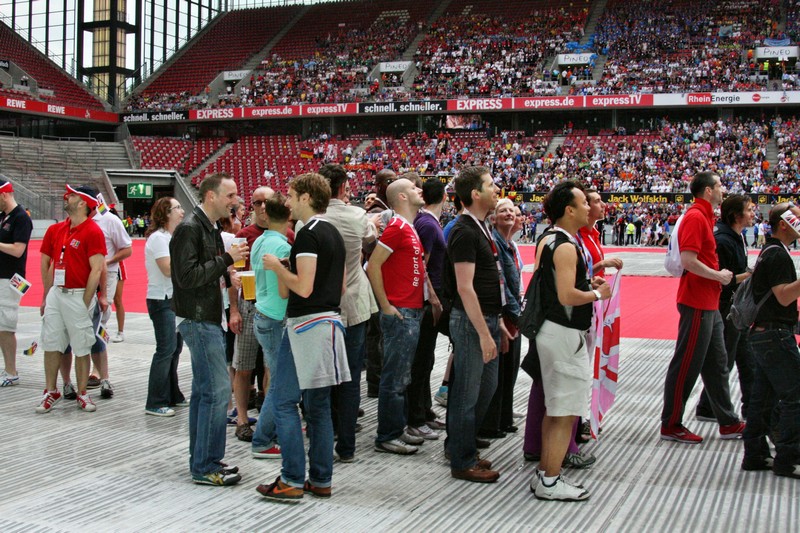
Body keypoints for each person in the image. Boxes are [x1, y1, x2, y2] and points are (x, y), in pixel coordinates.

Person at [256, 172, 348, 502]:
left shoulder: (308, 234)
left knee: (284, 401)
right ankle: (321, 479)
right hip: (329, 323)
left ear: (306, 198)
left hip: (305, 326)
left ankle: (292, 478)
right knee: (318, 407)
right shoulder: (332, 233)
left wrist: (279, 268)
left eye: (292, 195)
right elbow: (339, 286)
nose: (288, 201)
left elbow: (304, 288)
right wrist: (288, 268)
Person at [528, 181, 610, 502]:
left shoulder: (550, 238)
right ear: (569, 210)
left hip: (552, 331)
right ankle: (550, 480)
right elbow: (565, 295)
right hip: (563, 333)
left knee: (555, 409)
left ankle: (545, 473)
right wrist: (596, 294)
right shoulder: (564, 245)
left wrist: (587, 283)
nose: (589, 207)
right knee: (564, 412)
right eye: (583, 203)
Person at [171, 172, 248, 486]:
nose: (235, 201)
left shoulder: (208, 227)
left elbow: (202, 271)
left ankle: (204, 460)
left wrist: (227, 274)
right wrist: (227, 260)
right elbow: (186, 277)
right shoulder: (190, 229)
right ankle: (205, 464)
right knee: (216, 392)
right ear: (211, 196)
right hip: (197, 318)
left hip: (205, 316)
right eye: (230, 195)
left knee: (207, 393)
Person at [660, 172, 744, 444]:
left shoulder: (704, 217)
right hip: (697, 301)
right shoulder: (696, 217)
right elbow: (688, 260)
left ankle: (728, 421)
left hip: (708, 301)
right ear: (708, 191)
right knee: (686, 365)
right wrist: (718, 275)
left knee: (717, 364)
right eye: (719, 185)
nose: (723, 189)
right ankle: (671, 424)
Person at [443, 165, 504, 483]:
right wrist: (483, 332)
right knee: (467, 394)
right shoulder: (464, 231)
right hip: (471, 323)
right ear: (475, 194)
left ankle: (460, 445)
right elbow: (465, 287)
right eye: (490, 185)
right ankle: (462, 460)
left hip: (486, 318)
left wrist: (497, 323)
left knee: (485, 388)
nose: (497, 190)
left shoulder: (481, 227)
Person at [318, 164, 378, 463]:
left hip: (323, 306)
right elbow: (371, 241)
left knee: (325, 375)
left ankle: (324, 434)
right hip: (354, 302)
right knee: (351, 376)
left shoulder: (311, 221)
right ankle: (347, 445)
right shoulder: (357, 215)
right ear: (343, 188)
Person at [367, 177, 430, 455]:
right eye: (414, 188)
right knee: (395, 377)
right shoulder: (397, 228)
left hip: (410, 310)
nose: (420, 190)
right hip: (401, 311)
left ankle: (396, 428)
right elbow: (373, 265)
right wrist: (385, 305)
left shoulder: (407, 227)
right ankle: (387, 435)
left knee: (401, 375)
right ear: (402, 197)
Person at [36, 185, 107, 414]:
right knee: (51, 343)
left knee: (82, 346)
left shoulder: (93, 231)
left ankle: (82, 393)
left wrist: (85, 301)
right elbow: (51, 264)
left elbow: (97, 269)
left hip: (78, 294)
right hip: (57, 293)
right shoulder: (58, 229)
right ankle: (51, 390)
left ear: (83, 203)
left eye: (72, 195)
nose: (67, 197)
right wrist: (46, 296)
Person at [742, 202, 800, 477]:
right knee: (794, 396)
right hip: (775, 335)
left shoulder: (771, 251)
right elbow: (784, 296)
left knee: (762, 399)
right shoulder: (777, 254)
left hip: (764, 334)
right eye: (796, 217)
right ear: (784, 224)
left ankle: (755, 454)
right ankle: (789, 457)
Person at [695, 194, 755, 421]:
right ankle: (707, 407)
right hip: (726, 309)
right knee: (725, 361)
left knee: (746, 360)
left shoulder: (736, 236)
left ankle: (751, 408)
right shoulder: (723, 240)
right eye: (749, 210)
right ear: (736, 216)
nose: (753, 214)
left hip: (736, 308)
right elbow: (720, 279)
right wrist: (749, 276)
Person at [228, 186, 275, 442]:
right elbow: (232, 274)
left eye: (267, 201)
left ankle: (268, 418)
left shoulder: (286, 234)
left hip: (275, 307)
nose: (263, 207)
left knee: (271, 368)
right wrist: (234, 310)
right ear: (252, 207)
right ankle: (242, 419)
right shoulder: (243, 236)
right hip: (249, 304)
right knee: (243, 366)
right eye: (258, 202)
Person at [249, 192, 292, 460]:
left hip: (262, 312)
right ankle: (263, 439)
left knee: (276, 378)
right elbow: (285, 289)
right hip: (276, 316)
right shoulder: (283, 247)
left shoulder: (260, 241)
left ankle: (272, 430)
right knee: (278, 382)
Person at [407, 178, 448, 439]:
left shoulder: (427, 222)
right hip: (426, 303)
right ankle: (415, 416)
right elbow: (422, 265)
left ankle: (424, 410)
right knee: (421, 361)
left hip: (427, 300)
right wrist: (433, 298)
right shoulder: (429, 225)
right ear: (444, 197)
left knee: (426, 359)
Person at [479, 199, 523, 439]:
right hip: (505, 313)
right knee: (499, 371)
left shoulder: (508, 244)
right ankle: (491, 422)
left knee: (509, 370)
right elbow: (502, 284)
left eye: (512, 211)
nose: (510, 214)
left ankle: (503, 419)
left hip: (512, 313)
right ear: (493, 219)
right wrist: (516, 316)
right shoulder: (496, 243)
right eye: (503, 210)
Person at [144, 197, 186, 417]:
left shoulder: (171, 237)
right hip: (161, 298)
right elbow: (167, 269)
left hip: (172, 298)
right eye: (177, 208)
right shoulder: (159, 238)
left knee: (175, 348)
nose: (182, 211)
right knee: (165, 349)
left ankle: (172, 393)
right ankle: (155, 400)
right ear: (166, 213)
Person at [87, 194, 133, 398]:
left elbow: (127, 249)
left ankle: (97, 371)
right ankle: (91, 368)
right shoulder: (80, 221)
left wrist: (107, 261)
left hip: (107, 274)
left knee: (99, 321)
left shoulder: (110, 220)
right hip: (84, 274)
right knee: (86, 322)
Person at [0, 177, 33, 387]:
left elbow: (18, 249)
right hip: (1, 276)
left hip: (10, 278)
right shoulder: (3, 216)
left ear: (4, 195)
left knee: (6, 325)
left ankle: (11, 371)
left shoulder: (21, 217)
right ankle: (7, 368)